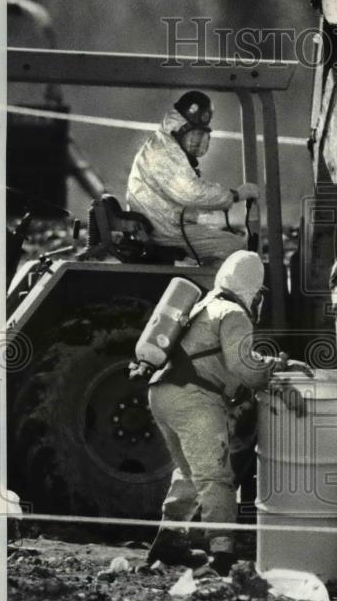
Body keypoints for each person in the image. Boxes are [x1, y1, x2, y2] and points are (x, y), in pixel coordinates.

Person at [145, 250, 313, 572]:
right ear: (255, 290)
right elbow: (243, 366)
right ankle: (222, 556)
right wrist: (278, 367)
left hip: (162, 392)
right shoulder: (234, 313)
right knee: (216, 476)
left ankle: (169, 542)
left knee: (190, 471)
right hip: (193, 398)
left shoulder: (202, 306)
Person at [127, 90, 259, 264]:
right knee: (235, 248)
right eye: (195, 135)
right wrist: (235, 195)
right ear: (181, 128)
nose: (197, 142)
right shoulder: (165, 151)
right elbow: (191, 192)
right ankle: (217, 291)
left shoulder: (164, 144)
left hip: (162, 225)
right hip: (165, 231)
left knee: (221, 241)